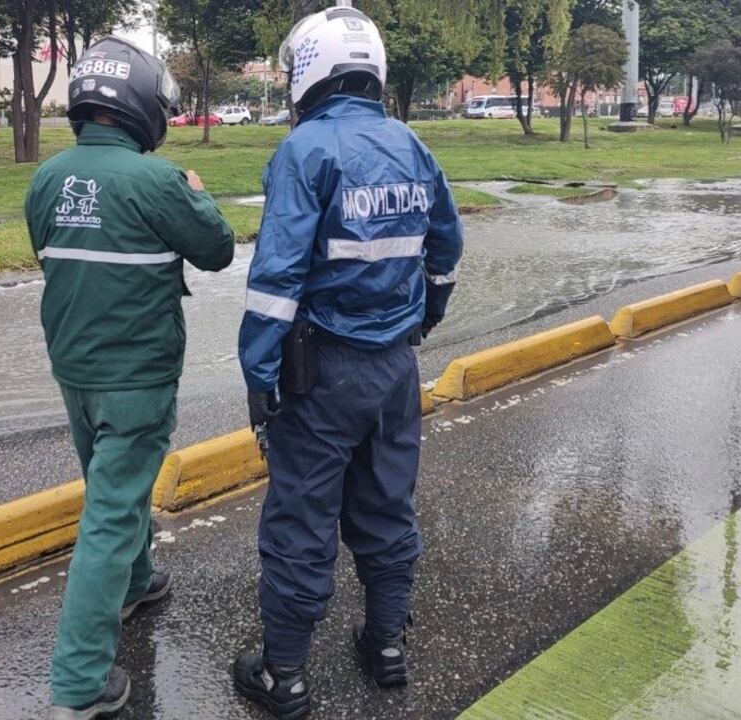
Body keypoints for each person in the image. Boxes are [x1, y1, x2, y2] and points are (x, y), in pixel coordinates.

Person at [232, 7, 464, 720]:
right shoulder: (412, 144)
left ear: (310, 68)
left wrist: (258, 376)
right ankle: (387, 645)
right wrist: (423, 316)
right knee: (387, 506)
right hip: (394, 371)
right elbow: (446, 250)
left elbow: (275, 281)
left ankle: (284, 676)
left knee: (302, 521)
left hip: (320, 373)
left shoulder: (305, 150)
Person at [26, 38, 235, 720]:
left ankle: (137, 581)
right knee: (111, 514)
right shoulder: (158, 181)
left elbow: (48, 257)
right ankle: (79, 681)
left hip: (74, 371)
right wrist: (199, 196)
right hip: (137, 378)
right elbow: (217, 250)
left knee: (110, 486)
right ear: (142, 106)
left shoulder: (47, 179)